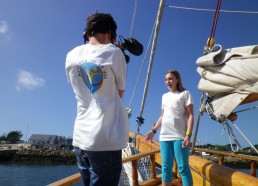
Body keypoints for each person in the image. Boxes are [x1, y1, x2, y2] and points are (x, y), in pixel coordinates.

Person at [65, 12, 129, 186]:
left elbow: (78, 87)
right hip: (105, 139)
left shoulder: (71, 55)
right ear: (109, 33)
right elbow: (120, 92)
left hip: (80, 138)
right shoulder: (115, 53)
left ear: (87, 32)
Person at [145, 70, 194, 186]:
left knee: (182, 167)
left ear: (177, 80)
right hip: (164, 136)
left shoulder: (185, 94)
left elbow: (191, 115)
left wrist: (188, 135)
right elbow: (163, 116)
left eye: (171, 78)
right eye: (166, 79)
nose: (168, 81)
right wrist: (153, 131)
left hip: (179, 136)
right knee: (166, 167)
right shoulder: (164, 97)